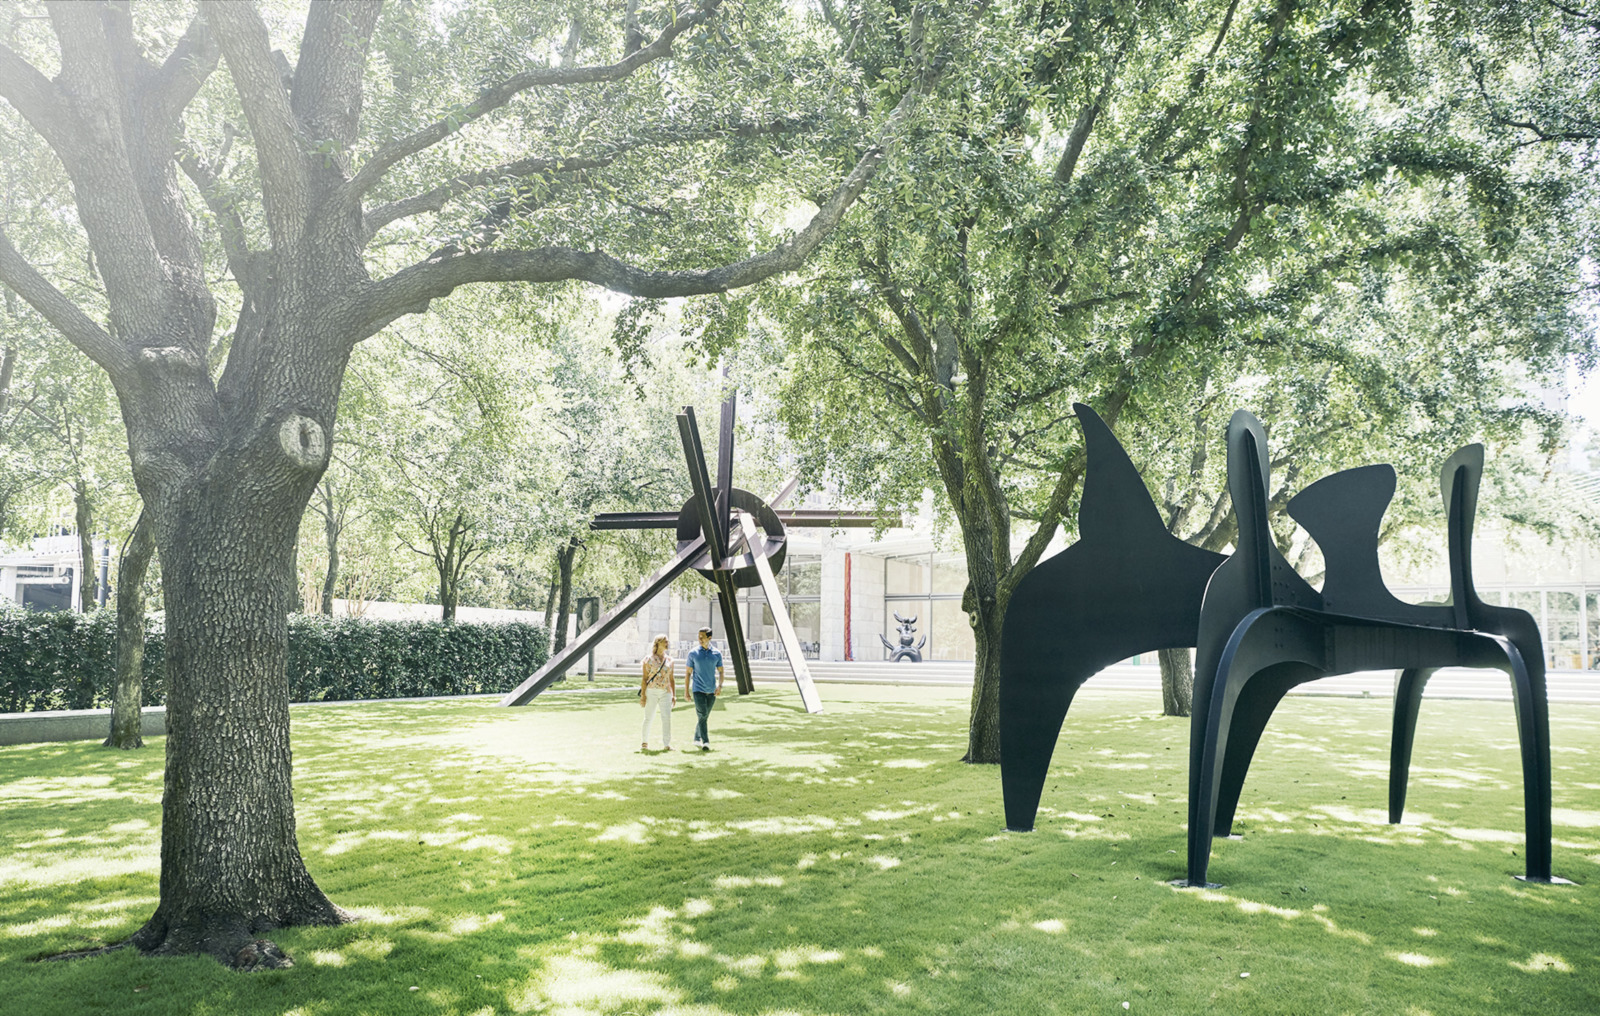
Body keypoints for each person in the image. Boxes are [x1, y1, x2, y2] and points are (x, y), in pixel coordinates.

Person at [684, 626, 725, 750]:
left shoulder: (717, 654)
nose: (699, 639)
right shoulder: (693, 653)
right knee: (702, 714)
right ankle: (706, 742)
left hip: (711, 691)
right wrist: (686, 691)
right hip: (698, 690)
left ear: (709, 638)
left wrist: (720, 686)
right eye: (699, 637)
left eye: (702, 637)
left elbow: (721, 672)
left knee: (704, 716)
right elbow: (688, 673)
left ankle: (696, 738)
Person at [639, 634, 675, 751]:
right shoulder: (648, 660)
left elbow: (672, 679)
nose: (667, 643)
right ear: (658, 643)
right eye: (665, 641)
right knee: (648, 717)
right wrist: (643, 696)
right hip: (652, 691)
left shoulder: (670, 660)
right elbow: (644, 679)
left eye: (667, 641)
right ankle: (644, 742)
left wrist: (674, 695)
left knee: (666, 717)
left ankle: (666, 744)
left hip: (666, 692)